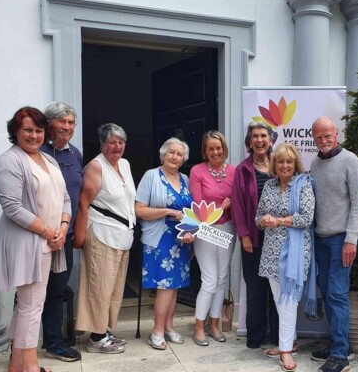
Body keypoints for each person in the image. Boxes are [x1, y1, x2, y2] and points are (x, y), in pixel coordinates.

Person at [0, 106, 70, 372]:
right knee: (31, 305)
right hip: (27, 243)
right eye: (27, 129)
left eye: (38, 130)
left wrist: (62, 226)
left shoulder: (48, 160)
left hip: (49, 241)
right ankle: (30, 367)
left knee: (28, 304)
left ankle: (17, 364)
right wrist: (49, 232)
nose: (34, 135)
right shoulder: (10, 160)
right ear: (15, 131)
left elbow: (65, 198)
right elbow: (12, 207)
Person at [309, 116, 358, 372]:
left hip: (341, 239)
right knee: (328, 292)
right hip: (320, 239)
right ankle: (339, 345)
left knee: (337, 293)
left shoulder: (350, 161)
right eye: (318, 137)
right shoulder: (314, 165)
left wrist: (351, 239)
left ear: (337, 133)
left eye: (327, 136)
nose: (323, 141)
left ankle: (341, 355)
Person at [73, 123, 136, 354]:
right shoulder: (95, 167)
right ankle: (96, 338)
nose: (117, 146)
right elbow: (83, 203)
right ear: (102, 145)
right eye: (112, 142)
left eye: (120, 142)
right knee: (99, 286)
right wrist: (79, 237)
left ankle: (103, 329)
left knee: (114, 288)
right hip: (101, 233)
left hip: (121, 235)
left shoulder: (125, 165)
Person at [255, 143, 316, 372]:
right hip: (271, 250)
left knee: (289, 301)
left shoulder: (304, 185)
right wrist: (263, 221)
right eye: (280, 161)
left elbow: (306, 218)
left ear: (295, 164)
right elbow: (258, 216)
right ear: (274, 164)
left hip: (296, 252)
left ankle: (286, 351)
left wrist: (279, 221)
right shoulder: (269, 186)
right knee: (279, 300)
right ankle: (288, 342)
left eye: (289, 161)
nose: (284, 165)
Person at [135, 138, 194, 350]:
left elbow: (191, 212)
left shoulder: (186, 179)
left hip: (182, 240)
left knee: (175, 285)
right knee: (164, 286)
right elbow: (139, 210)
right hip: (160, 238)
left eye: (179, 154)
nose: (175, 157)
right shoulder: (151, 176)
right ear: (163, 154)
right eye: (171, 152)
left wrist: (191, 233)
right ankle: (157, 331)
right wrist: (168, 212)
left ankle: (169, 328)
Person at [40, 102, 83, 362]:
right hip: (38, 235)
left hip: (64, 236)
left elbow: (78, 196)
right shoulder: (36, 151)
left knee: (56, 289)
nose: (67, 127)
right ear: (48, 124)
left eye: (71, 123)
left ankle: (53, 342)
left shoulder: (74, 154)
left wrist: (74, 229)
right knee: (30, 290)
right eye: (62, 122)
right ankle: (19, 347)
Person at [231, 121, 280, 349]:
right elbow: (239, 206)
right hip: (253, 239)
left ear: (271, 140)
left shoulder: (280, 165)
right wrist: (244, 235)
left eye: (263, 136)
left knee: (277, 290)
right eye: (255, 136)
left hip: (279, 240)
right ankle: (255, 336)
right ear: (249, 142)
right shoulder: (242, 170)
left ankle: (279, 337)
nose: (259, 140)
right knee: (256, 289)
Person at [189, 130, 236, 346]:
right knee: (209, 279)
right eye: (211, 148)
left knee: (222, 279)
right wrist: (220, 206)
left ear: (224, 149)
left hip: (227, 227)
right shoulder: (197, 171)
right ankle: (199, 326)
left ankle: (214, 324)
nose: (215, 152)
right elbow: (198, 206)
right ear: (205, 151)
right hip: (206, 229)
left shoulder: (234, 172)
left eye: (218, 148)